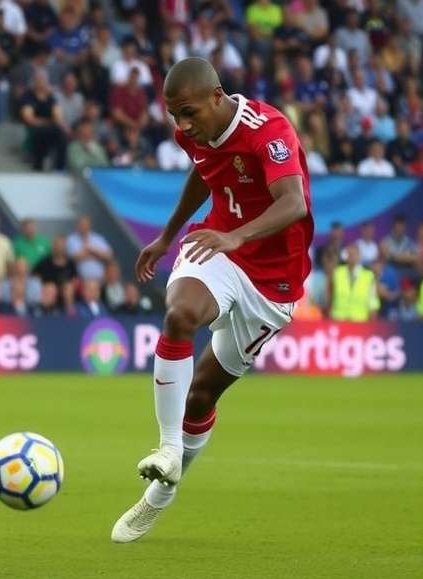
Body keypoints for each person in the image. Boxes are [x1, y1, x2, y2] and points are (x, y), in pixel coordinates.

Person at [111, 57, 313, 543]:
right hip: (218, 246)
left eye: (189, 113)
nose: (182, 126)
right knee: (181, 313)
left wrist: (238, 235)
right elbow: (205, 172)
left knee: (201, 395)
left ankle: (162, 494)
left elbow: (294, 202)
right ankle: (167, 449)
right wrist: (167, 236)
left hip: (273, 282)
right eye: (174, 115)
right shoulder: (194, 133)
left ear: (217, 97)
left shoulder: (268, 131)